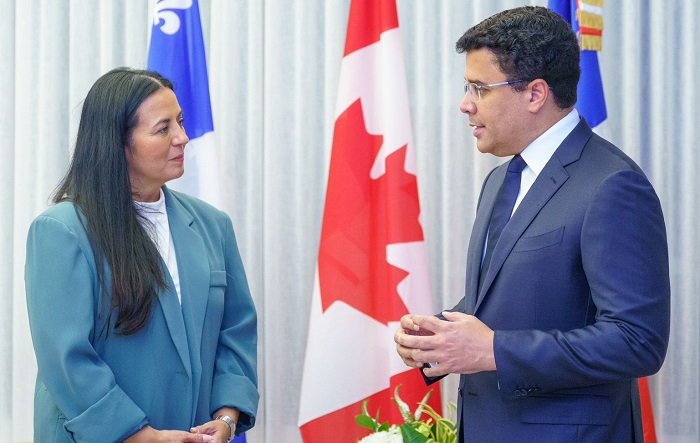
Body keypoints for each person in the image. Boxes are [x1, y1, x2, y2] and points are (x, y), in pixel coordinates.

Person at [394, 6, 670, 442]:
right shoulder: (499, 180)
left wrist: (493, 350)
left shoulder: (613, 185)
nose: (465, 104)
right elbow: (508, 297)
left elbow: (637, 341)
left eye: (480, 88)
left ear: (536, 94)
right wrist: (440, 335)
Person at [25, 67, 258, 442]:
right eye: (163, 128)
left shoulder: (214, 226)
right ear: (117, 143)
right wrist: (141, 435)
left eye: (180, 122)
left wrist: (227, 416)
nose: (182, 138)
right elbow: (67, 360)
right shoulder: (62, 231)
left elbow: (236, 331)